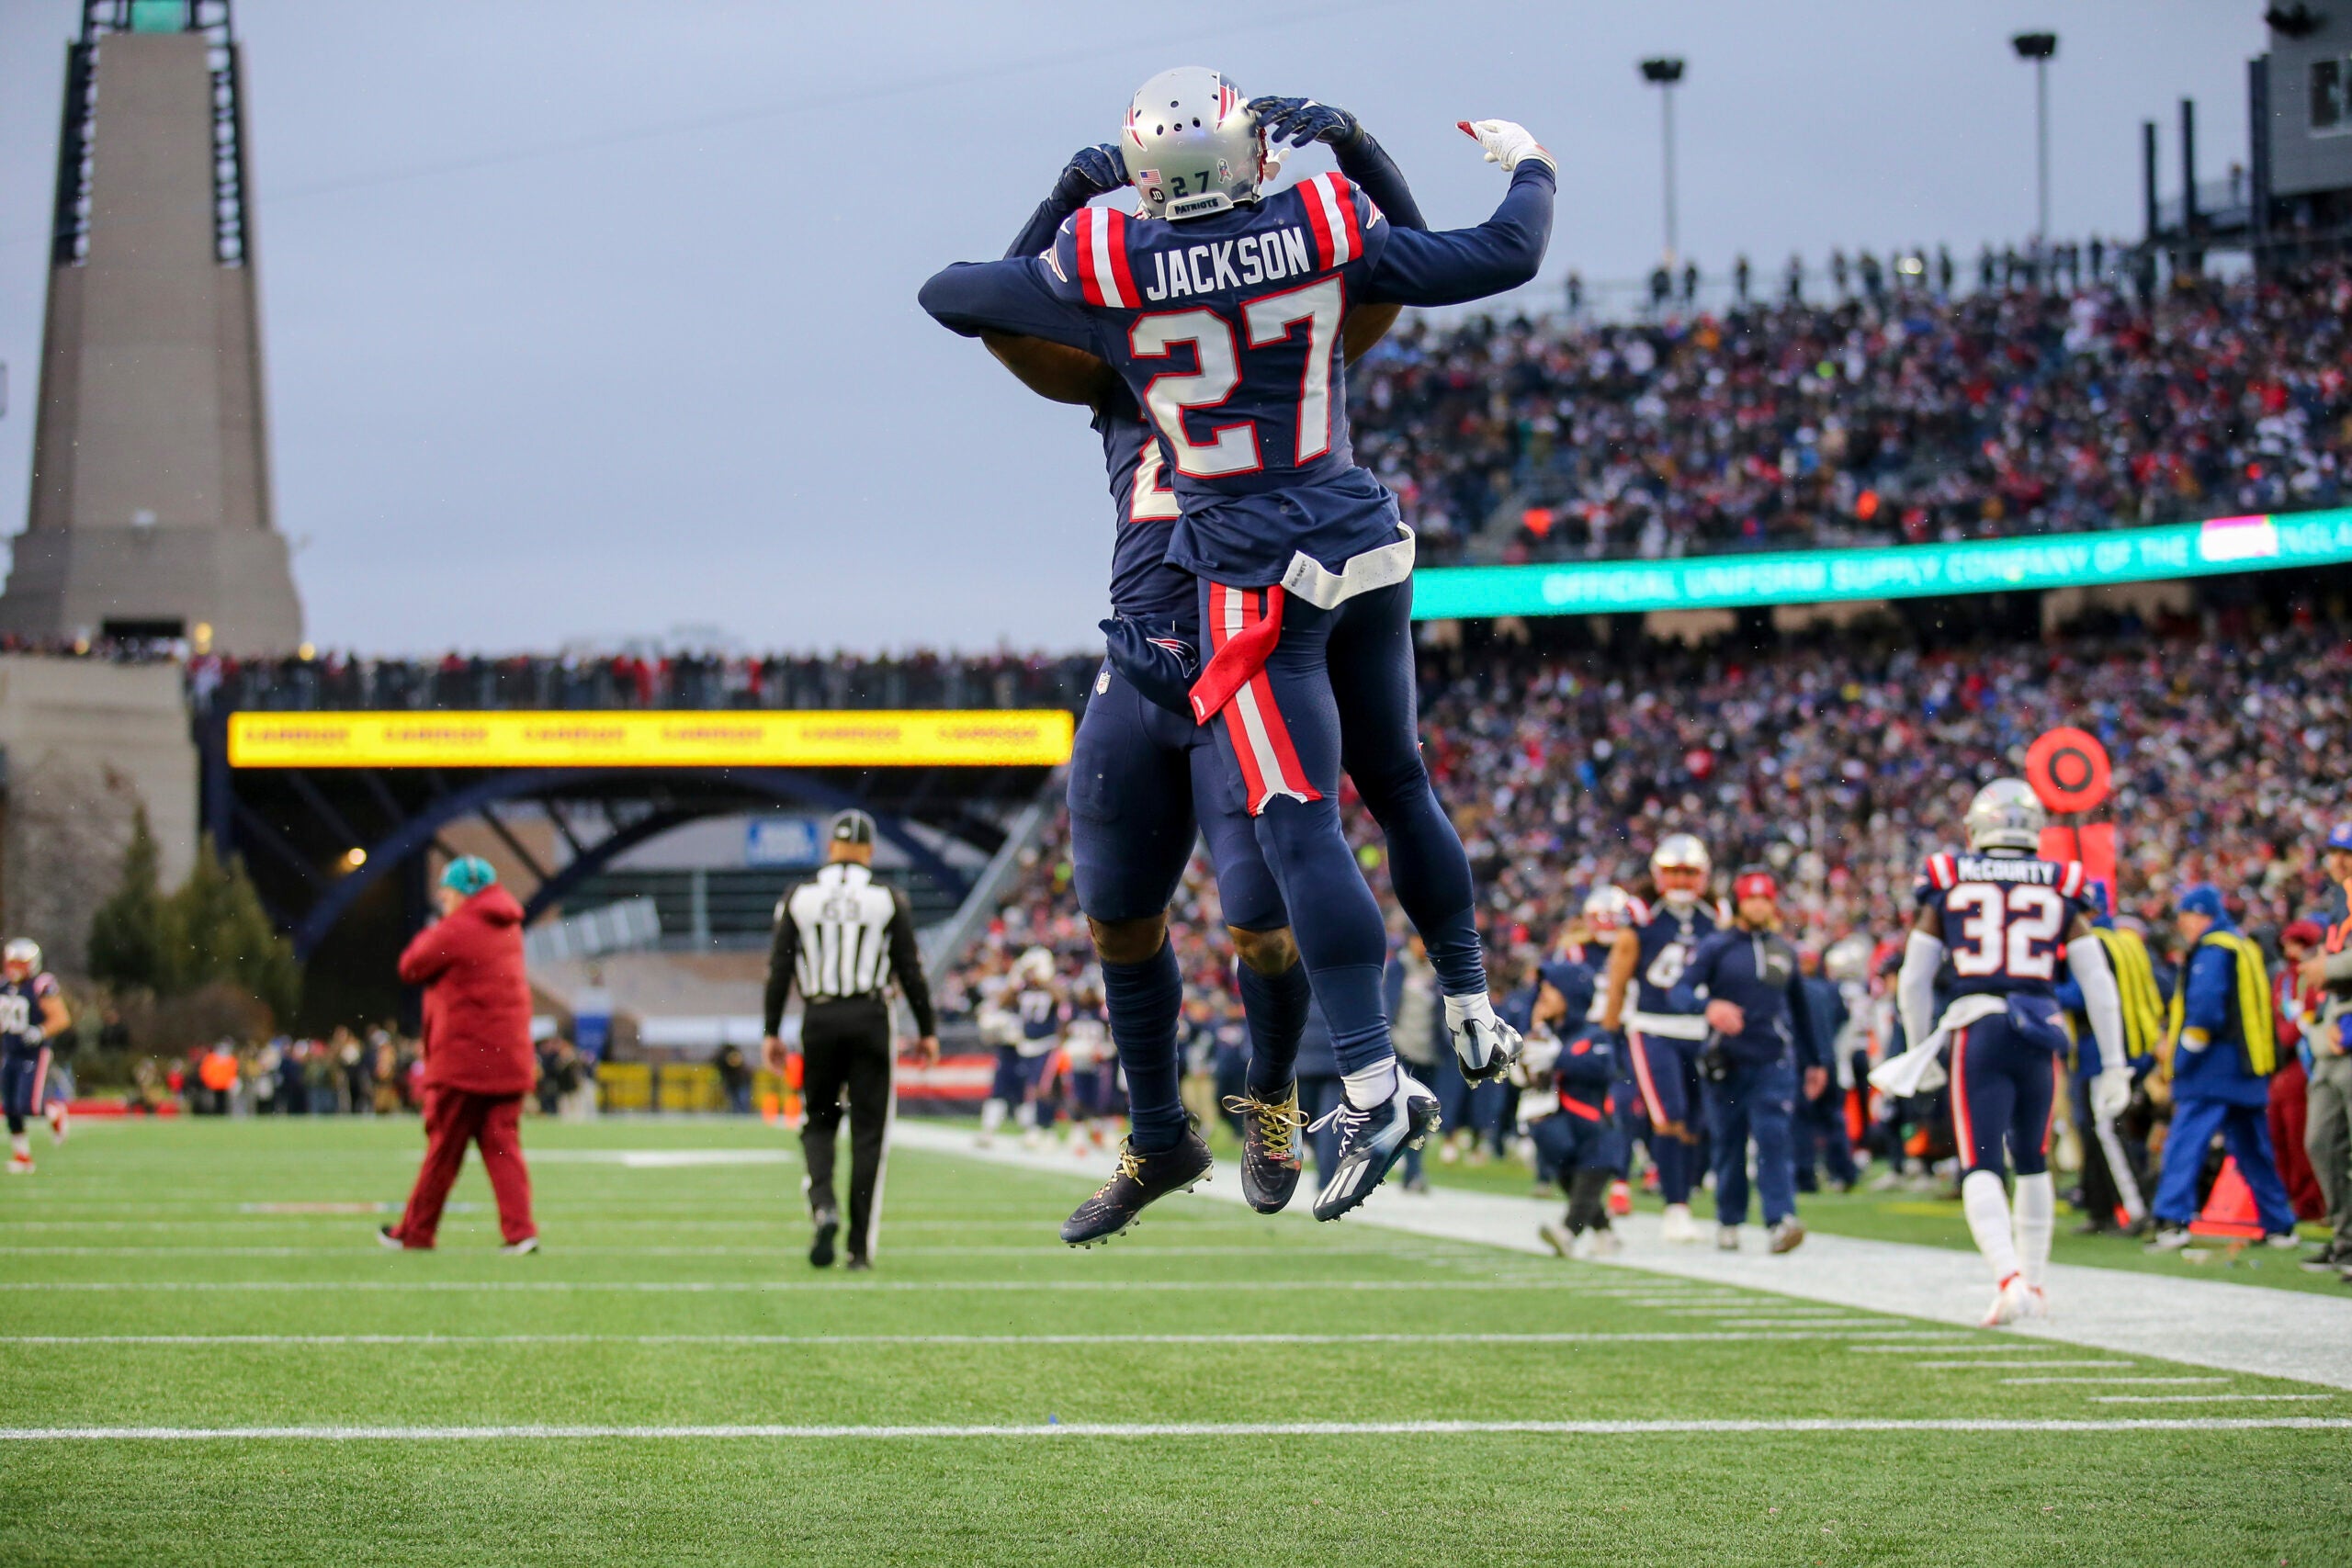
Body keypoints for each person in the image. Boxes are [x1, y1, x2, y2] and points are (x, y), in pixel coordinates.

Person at [922, 74, 1552, 1218]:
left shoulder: (1123, 283)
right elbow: (1419, 253)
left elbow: (978, 295)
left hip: (1242, 618)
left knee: (1265, 911)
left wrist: (1074, 192)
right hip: (1165, 644)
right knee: (1122, 908)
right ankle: (1162, 1134)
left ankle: (1281, 1096)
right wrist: (1365, 149)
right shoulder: (1170, 327)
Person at [1883, 781, 2132, 1325]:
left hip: (1978, 1028)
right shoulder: (2061, 882)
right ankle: (2036, 1284)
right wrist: (2115, 1064)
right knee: (2033, 1159)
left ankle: (2009, 1278)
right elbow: (2098, 982)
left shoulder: (1949, 876)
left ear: (1978, 828)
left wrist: (1922, 1042)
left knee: (1980, 1163)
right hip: (2039, 1030)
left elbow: (1915, 979)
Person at [761, 809, 939, 1270]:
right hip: (869, 1017)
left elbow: (779, 970)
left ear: (830, 849)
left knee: (818, 1122)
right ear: (869, 852)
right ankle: (858, 1250)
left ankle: (824, 1205)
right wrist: (927, 1030)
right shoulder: (887, 897)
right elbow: (910, 970)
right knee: (868, 1134)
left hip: (819, 1017)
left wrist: (770, 1031)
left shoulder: (799, 896)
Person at [379, 857, 539, 1254]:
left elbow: (410, 965)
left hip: (465, 1062)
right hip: (508, 1060)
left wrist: (437, 927)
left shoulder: (456, 928)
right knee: (504, 1150)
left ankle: (417, 1232)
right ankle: (520, 1233)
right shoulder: (509, 928)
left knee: (442, 1151)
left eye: (447, 893)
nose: (443, 900)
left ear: (461, 893)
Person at [1670, 867, 1817, 1254]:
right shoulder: (1716, 947)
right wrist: (1709, 1006)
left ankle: (1779, 1219)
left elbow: (1802, 1012)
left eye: (1764, 898)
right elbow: (1679, 992)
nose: (1758, 905)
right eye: (1751, 898)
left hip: (1773, 1059)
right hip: (1728, 1060)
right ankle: (1729, 1217)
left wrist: (1816, 1061)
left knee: (1774, 1137)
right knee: (1729, 1142)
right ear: (1739, 903)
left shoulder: (1784, 950)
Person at [2145, 885, 2298, 1252]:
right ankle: (2279, 1224)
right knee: (2252, 1146)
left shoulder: (2213, 949)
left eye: (2186, 917)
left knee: (2186, 1141)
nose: (2182, 926)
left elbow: (2205, 1009)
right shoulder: (2240, 944)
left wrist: (2182, 1058)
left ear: (2200, 915)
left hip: (2213, 1066)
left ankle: (2172, 1218)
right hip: (2247, 1066)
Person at [1602, 835, 1718, 1242]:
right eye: (1674, 872)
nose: (1682, 880)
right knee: (1668, 1116)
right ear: (1658, 874)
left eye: (1689, 872)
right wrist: (1608, 1028)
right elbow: (1619, 973)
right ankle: (1675, 1207)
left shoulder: (1717, 914)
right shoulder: (1642, 914)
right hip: (1653, 1026)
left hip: (1702, 1029)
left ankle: (1683, 1196)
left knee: (1695, 1122)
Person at [2052, 891, 2163, 1235]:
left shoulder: (2093, 943)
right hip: (2124, 1044)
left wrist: (2042, 986)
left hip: (2101, 1050)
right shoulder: (2126, 942)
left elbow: (2082, 994)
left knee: (2106, 1130)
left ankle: (2137, 1207)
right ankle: (2100, 1207)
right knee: (2094, 1132)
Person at [2298, 824, 2352, 1272]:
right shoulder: (2338, 900)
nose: (2340, 861)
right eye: (2335, 852)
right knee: (2321, 1142)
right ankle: (2345, 1239)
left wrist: (2326, 966)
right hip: (2335, 1038)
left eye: (2347, 852)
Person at [2269, 919, 2325, 1222]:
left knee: (2300, 1136)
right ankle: (2292, 1199)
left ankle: (2310, 1204)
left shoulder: (2315, 976)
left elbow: (2306, 1017)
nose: (2291, 950)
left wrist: (2289, 1032)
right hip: (2284, 1064)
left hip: (2304, 1064)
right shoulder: (2284, 979)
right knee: (2280, 1134)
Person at [0, 940, 69, 1174]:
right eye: (11, 962)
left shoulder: (41, 985)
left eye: (20, 962)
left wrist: (40, 1031)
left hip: (34, 1053)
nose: (14, 967)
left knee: (27, 1105)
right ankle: (22, 1156)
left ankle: (54, 1111)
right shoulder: (4, 987)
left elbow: (61, 1017)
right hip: (10, 1052)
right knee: (9, 1107)